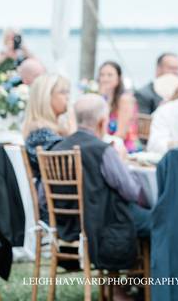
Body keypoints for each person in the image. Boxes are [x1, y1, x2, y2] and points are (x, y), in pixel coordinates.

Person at [52, 95, 151, 271]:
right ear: (102, 121)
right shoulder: (103, 150)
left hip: (66, 225)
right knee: (157, 220)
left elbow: (45, 198)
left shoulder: (57, 149)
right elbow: (131, 192)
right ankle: (140, 283)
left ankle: (123, 286)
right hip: (102, 225)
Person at [22, 74, 74, 220]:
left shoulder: (48, 131)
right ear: (46, 97)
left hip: (61, 204)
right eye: (63, 92)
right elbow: (70, 167)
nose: (68, 97)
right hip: (58, 210)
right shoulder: (41, 134)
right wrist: (74, 131)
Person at [97, 61, 139, 153]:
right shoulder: (102, 99)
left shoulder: (125, 99)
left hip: (122, 149)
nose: (105, 78)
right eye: (102, 75)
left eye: (110, 75)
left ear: (118, 78)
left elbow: (121, 134)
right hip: (104, 146)